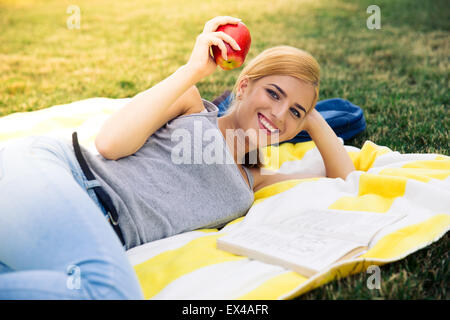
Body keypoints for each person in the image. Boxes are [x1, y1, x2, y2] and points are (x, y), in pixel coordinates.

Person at [0, 16, 355, 299]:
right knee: (109, 292)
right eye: (273, 94)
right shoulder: (191, 105)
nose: (279, 114)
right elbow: (109, 143)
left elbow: (341, 178)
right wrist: (195, 69)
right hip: (63, 178)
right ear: (244, 86)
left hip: (78, 233)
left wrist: (310, 113)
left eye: (294, 112)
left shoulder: (254, 179)